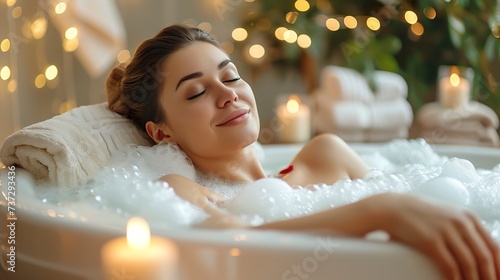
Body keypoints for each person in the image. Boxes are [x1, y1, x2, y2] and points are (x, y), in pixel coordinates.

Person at [106, 24, 499, 280]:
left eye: (231, 76)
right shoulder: (177, 187)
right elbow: (233, 246)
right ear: (162, 133)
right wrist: (381, 210)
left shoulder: (326, 153)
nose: (228, 95)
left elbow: (426, 214)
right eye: (196, 91)